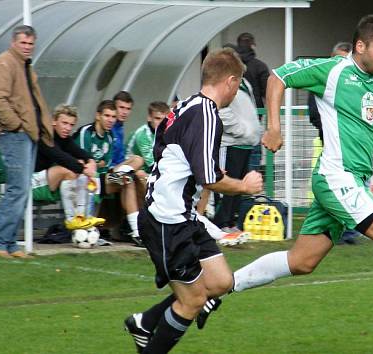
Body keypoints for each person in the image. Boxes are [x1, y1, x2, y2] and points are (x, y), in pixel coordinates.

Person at [198, 15, 373, 354]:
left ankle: (219, 291)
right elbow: (277, 78)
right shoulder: (331, 70)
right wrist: (273, 126)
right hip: (335, 177)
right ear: (360, 46)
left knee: (301, 261)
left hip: (352, 180)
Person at [123, 47, 262, 354]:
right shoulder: (209, 114)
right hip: (167, 221)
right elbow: (209, 179)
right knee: (193, 300)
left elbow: (168, 150)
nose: (236, 92)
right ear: (230, 81)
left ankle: (146, 321)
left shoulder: (184, 105)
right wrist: (244, 185)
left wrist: (197, 169)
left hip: (183, 216)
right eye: (238, 85)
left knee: (221, 281)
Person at [0, 25, 54, 259]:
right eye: (23, 43)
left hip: (27, 133)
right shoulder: (3, 63)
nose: (27, 47)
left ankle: (10, 243)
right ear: (13, 42)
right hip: (15, 134)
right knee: (17, 189)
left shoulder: (24, 66)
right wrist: (15, 125)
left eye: (30, 43)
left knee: (22, 190)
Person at [307, 41, 362, 245]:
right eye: (338, 58)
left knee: (350, 187)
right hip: (329, 145)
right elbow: (313, 114)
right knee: (331, 188)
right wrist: (331, 129)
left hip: (352, 149)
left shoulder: (354, 85)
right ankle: (329, 230)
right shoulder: (321, 81)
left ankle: (347, 229)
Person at [73, 100, 143, 245]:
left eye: (113, 117)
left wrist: (100, 165)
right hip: (85, 179)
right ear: (98, 115)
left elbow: (106, 164)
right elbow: (83, 164)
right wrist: (98, 164)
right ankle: (123, 176)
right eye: (107, 116)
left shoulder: (110, 136)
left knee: (136, 161)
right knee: (127, 180)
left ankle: (137, 233)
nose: (111, 120)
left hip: (103, 178)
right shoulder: (86, 133)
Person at [32, 104, 104, 230]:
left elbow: (79, 152)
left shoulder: (65, 138)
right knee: (67, 170)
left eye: (71, 125)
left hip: (46, 181)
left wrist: (90, 161)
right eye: (64, 123)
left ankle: (83, 217)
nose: (67, 128)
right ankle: (71, 219)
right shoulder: (45, 136)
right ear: (54, 121)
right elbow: (60, 157)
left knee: (78, 167)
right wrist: (84, 169)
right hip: (30, 182)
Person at [211, 77, 263, 231]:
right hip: (230, 144)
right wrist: (241, 131)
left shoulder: (245, 83)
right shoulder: (225, 83)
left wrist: (253, 132)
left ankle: (230, 222)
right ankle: (220, 223)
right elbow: (221, 110)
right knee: (226, 183)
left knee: (240, 185)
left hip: (246, 144)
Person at [236, 33, 270, 172]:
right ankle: (251, 184)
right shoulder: (259, 66)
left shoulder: (231, 67)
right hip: (255, 115)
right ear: (252, 45)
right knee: (254, 154)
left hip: (234, 118)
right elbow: (267, 92)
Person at [126, 101, 170, 174]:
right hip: (129, 170)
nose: (162, 123)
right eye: (157, 118)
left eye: (164, 120)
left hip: (146, 170)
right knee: (141, 174)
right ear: (149, 118)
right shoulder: (142, 135)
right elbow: (153, 166)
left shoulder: (165, 133)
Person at [111, 91, 134, 166]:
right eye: (121, 107)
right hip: (107, 170)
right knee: (137, 160)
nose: (125, 112)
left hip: (117, 167)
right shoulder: (108, 127)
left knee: (137, 160)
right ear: (113, 107)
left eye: (128, 109)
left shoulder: (120, 128)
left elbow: (120, 157)